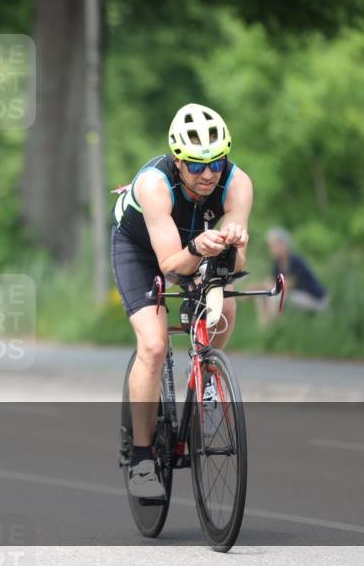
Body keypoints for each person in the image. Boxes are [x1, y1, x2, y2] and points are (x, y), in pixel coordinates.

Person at [111, 103, 253, 499]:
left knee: (225, 308)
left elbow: (236, 265)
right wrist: (198, 247)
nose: (208, 174)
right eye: (195, 165)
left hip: (194, 244)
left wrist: (232, 243)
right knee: (154, 345)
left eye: (216, 163)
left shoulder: (238, 183)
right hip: (143, 250)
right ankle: (141, 457)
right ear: (177, 161)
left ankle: (206, 377)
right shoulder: (154, 185)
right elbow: (171, 267)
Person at [257, 227, 328, 325]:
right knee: (263, 296)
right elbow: (270, 281)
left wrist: (269, 285)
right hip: (298, 296)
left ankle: (275, 326)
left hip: (315, 299)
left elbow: (288, 285)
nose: (271, 249)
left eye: (273, 246)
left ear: (283, 245)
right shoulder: (278, 263)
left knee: (276, 297)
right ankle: (265, 326)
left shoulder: (295, 261)